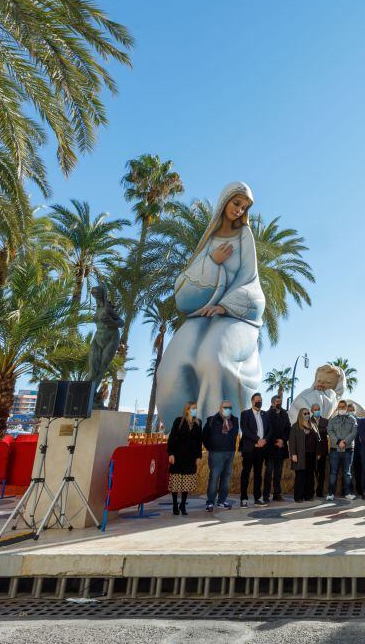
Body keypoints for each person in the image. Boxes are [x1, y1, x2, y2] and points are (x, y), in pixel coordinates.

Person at [155, 182, 264, 424]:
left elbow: (250, 279)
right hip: (203, 314)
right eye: (236, 203)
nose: (239, 210)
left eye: (244, 207)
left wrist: (225, 306)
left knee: (212, 357)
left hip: (235, 314)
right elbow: (186, 282)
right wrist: (212, 261)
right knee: (171, 367)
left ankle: (218, 429)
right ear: (225, 201)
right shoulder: (210, 238)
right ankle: (181, 429)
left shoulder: (244, 236)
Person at [166, 402, 202, 516]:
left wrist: (198, 456)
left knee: (187, 481)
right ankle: (175, 504)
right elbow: (172, 438)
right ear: (187, 410)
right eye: (193, 408)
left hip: (191, 457)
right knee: (176, 480)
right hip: (178, 455)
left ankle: (183, 504)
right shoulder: (178, 421)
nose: (195, 410)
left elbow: (199, 441)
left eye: (196, 408)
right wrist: (171, 453)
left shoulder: (198, 423)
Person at [203, 400, 239, 511]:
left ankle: (222, 501)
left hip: (230, 452)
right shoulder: (212, 420)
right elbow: (204, 436)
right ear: (220, 408)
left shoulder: (235, 420)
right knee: (214, 477)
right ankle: (210, 502)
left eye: (229, 407)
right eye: (225, 407)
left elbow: (235, 435)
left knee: (226, 478)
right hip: (216, 453)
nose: (228, 409)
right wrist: (211, 447)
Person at [238, 392, 270, 507]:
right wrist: (257, 440)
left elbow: (269, 430)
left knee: (258, 474)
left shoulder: (265, 414)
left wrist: (264, 440)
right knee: (246, 473)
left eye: (261, 400)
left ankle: (258, 498)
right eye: (257, 400)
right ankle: (244, 498)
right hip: (249, 449)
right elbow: (245, 430)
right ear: (252, 401)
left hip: (261, 450)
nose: (259, 402)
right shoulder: (245, 414)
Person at [326, 399, 357, 500]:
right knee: (333, 472)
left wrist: (345, 442)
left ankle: (348, 493)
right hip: (335, 449)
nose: (342, 408)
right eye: (340, 407)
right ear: (337, 408)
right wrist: (338, 441)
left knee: (347, 472)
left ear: (346, 408)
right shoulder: (332, 420)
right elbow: (330, 431)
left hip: (348, 449)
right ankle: (331, 493)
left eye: (343, 407)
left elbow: (354, 432)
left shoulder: (352, 419)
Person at [288, 407, 319, 503]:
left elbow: (318, 440)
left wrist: (318, 453)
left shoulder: (313, 425)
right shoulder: (295, 426)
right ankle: (298, 497)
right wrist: (293, 454)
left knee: (310, 476)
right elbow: (292, 441)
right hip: (301, 455)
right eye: (304, 413)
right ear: (300, 415)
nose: (307, 415)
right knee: (300, 476)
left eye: (308, 413)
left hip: (311, 455)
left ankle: (309, 495)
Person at [264, 395, 290, 501]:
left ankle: (277, 494)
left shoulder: (284, 413)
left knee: (278, 472)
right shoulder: (267, 414)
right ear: (272, 403)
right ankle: (266, 495)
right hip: (270, 448)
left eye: (280, 401)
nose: (279, 403)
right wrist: (276, 441)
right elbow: (267, 430)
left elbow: (288, 428)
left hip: (281, 448)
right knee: (269, 471)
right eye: (277, 401)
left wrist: (282, 440)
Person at [311, 403, 330, 497]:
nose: (317, 411)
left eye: (318, 409)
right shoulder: (308, 421)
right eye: (315, 409)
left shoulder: (326, 421)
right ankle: (310, 491)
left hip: (322, 451)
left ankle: (320, 491)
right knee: (311, 472)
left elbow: (328, 435)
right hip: (311, 451)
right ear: (311, 411)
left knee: (321, 473)